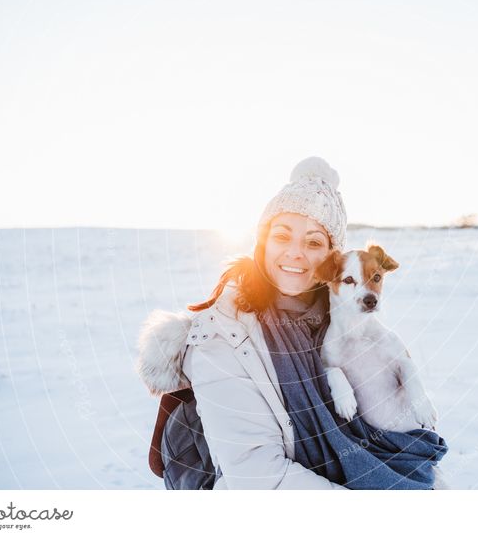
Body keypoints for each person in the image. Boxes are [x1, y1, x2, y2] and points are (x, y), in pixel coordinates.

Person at [138, 156, 446, 490]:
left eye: (313, 242)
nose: (296, 253)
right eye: (282, 236)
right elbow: (257, 475)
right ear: (263, 243)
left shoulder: (341, 324)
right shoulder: (221, 336)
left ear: (332, 257)